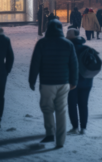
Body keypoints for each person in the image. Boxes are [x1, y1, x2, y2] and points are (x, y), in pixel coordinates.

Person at [29, 19, 78, 148]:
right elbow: (74, 65)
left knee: (47, 108)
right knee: (61, 110)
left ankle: (50, 133)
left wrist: (32, 80)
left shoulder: (42, 43)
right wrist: (74, 81)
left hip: (47, 83)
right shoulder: (68, 44)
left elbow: (35, 63)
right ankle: (60, 141)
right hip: (64, 82)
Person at [66, 29, 94, 135]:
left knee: (72, 104)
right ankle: (83, 128)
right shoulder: (86, 48)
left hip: (73, 82)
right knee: (83, 104)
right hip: (87, 82)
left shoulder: (68, 49)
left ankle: (75, 127)